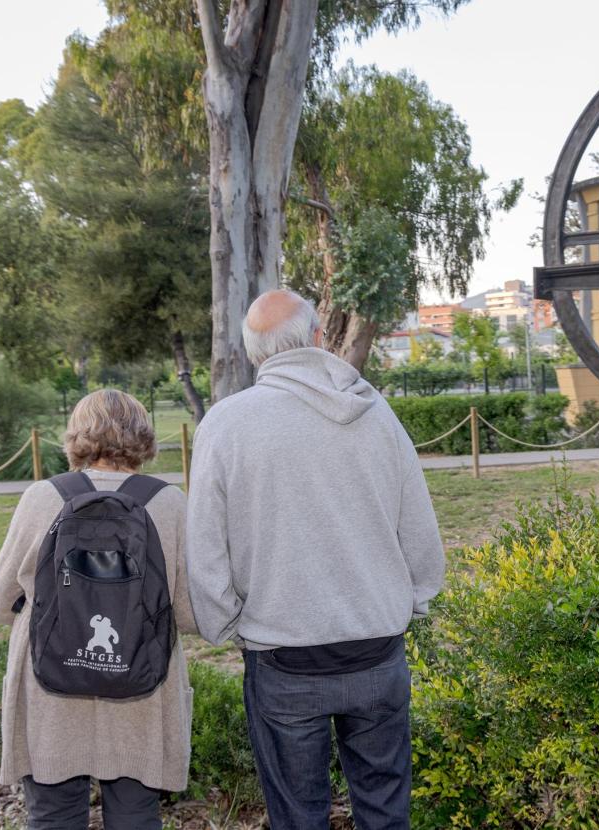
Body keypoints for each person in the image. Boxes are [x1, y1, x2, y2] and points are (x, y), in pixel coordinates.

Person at [186, 289, 445, 829]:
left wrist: (227, 623)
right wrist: (415, 601)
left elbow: (205, 546)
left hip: (282, 658)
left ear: (255, 354)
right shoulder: (377, 415)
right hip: (376, 648)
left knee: (298, 816)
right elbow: (418, 524)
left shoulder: (226, 424)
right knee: (385, 809)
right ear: (319, 337)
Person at [0, 389, 196, 830]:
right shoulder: (169, 502)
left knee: (53, 816)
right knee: (136, 816)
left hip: (52, 685)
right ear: (143, 436)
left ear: (77, 435)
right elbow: (188, 614)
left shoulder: (43, 497)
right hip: (141, 682)